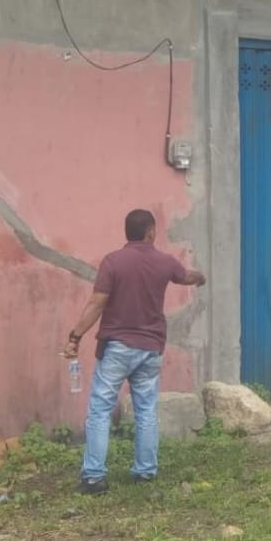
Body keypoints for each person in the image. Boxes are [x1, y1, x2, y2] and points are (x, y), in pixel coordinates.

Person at [64, 209, 206, 495]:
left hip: (117, 348)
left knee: (100, 410)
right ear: (150, 232)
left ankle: (94, 478)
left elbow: (97, 303)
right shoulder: (165, 262)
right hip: (151, 349)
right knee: (146, 410)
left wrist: (75, 336)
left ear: (127, 232)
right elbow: (186, 276)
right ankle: (145, 471)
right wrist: (200, 277)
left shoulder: (113, 262)